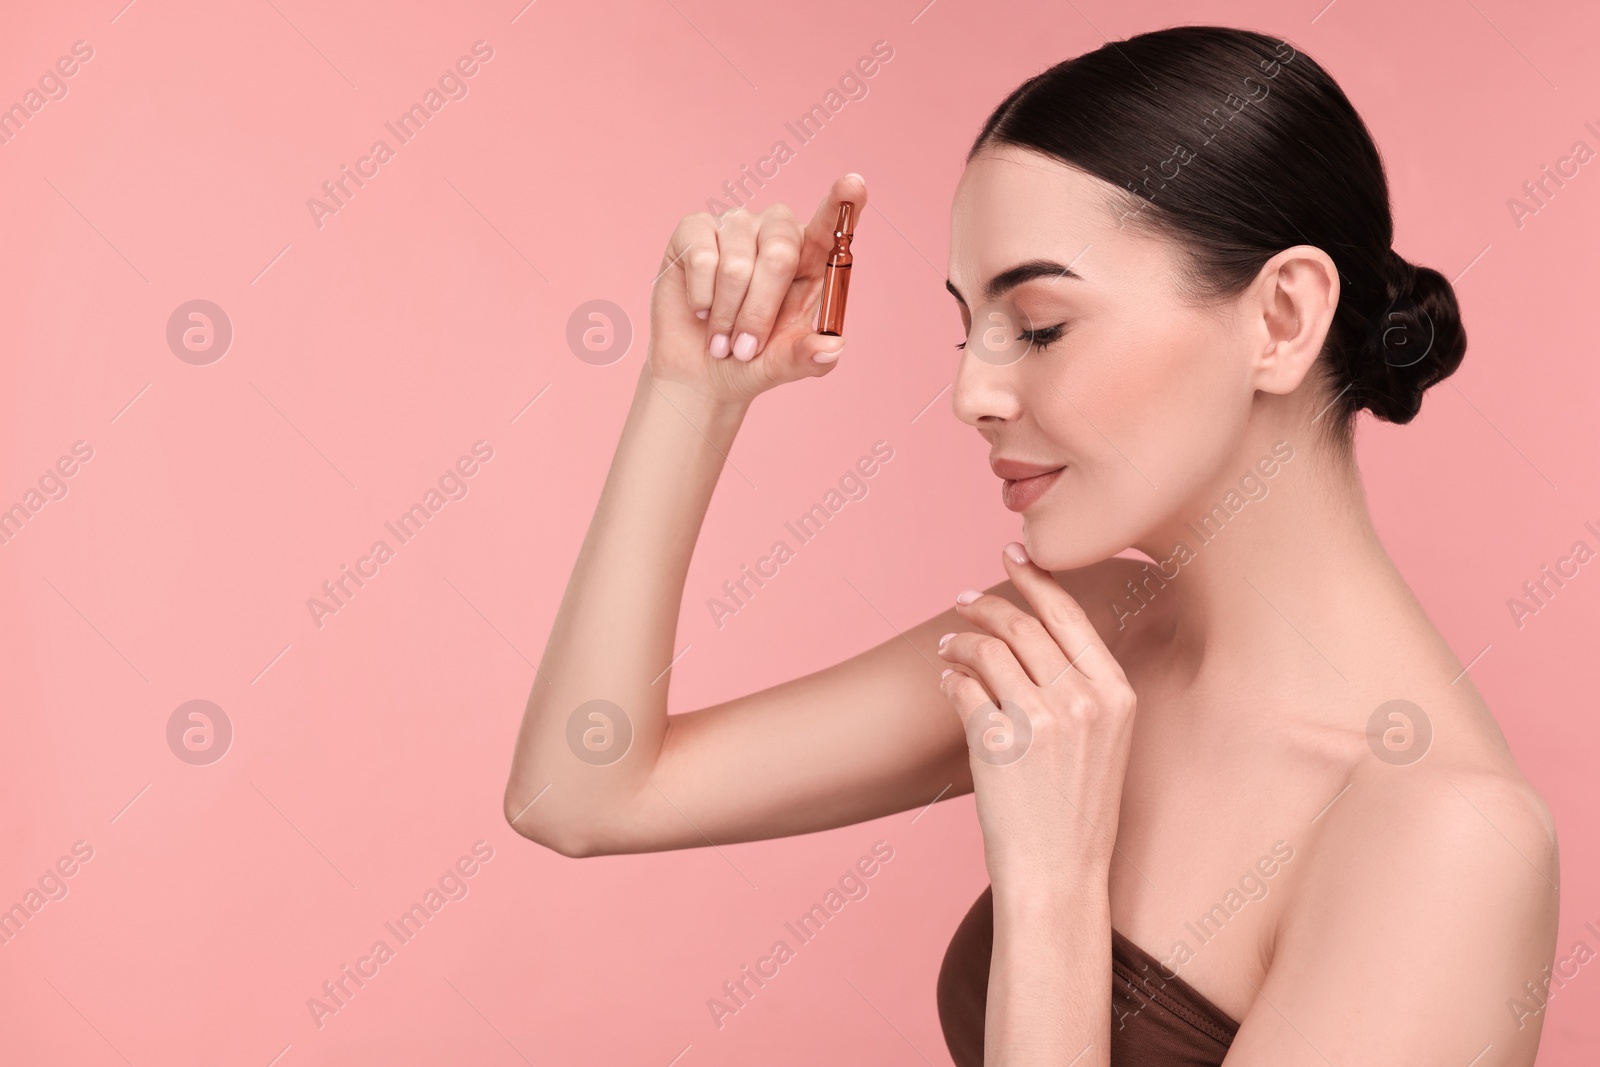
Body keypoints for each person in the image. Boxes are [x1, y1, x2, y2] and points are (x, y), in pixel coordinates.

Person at [504, 25, 1559, 1065]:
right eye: (968, 327)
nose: (971, 393)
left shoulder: (1447, 843)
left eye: (1042, 324)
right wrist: (693, 390)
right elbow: (583, 792)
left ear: (1280, 317)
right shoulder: (1088, 642)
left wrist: (1053, 886)